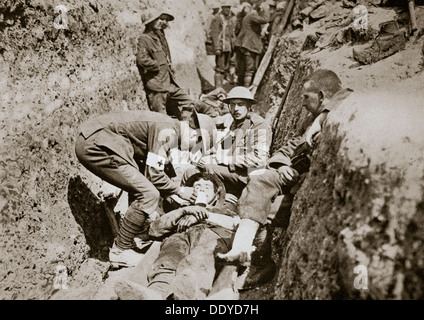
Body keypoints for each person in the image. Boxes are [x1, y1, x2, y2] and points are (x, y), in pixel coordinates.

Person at [217, 69, 353, 289]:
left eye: (305, 97)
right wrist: (282, 165)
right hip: (290, 179)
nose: (301, 103)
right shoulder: (310, 118)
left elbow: (347, 95)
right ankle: (245, 252)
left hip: (310, 191)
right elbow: (288, 146)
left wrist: (323, 115)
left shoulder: (339, 108)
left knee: (261, 207)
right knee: (259, 182)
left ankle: (259, 262)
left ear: (321, 95)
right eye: (232, 105)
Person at [74, 109, 216, 267]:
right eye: (194, 148)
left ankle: (135, 231)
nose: (188, 151)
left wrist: (171, 190)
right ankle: (119, 251)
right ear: (195, 136)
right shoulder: (168, 132)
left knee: (143, 184)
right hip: (95, 144)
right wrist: (180, 191)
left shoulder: (170, 127)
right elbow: (154, 175)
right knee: (148, 193)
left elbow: (156, 167)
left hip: (98, 140)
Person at [126, 172, 260, 300]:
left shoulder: (226, 209)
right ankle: (156, 293)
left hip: (214, 235)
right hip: (180, 237)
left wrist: (204, 216)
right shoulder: (182, 210)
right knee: (167, 259)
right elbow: (154, 230)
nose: (201, 189)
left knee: (200, 259)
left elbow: (237, 225)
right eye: (197, 186)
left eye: (207, 187)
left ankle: (189, 295)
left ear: (216, 194)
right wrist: (185, 211)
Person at [185, 86, 272, 200]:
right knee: (193, 169)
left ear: (249, 106)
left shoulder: (258, 126)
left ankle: (209, 201)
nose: (236, 109)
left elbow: (259, 160)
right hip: (234, 170)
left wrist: (222, 160)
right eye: (232, 104)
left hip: (247, 176)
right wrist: (203, 154)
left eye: (240, 104)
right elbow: (224, 145)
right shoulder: (237, 123)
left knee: (203, 169)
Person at [136, 8, 192, 119]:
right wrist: (157, 66)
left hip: (169, 85)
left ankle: (183, 127)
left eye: (166, 20)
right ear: (150, 21)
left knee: (189, 102)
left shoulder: (160, 38)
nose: (164, 22)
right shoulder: (145, 39)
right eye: (160, 19)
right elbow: (141, 59)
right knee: (162, 120)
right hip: (157, 87)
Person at [235, 1, 270, 87]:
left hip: (247, 44)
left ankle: (242, 87)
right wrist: (266, 9)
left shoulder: (250, 15)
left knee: (246, 68)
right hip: (249, 45)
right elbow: (265, 19)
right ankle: (246, 90)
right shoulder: (252, 15)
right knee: (250, 69)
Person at [209, 4, 235, 88]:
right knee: (219, 68)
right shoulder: (217, 18)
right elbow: (214, 33)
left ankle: (221, 89)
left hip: (227, 48)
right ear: (222, 8)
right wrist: (217, 47)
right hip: (221, 47)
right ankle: (217, 89)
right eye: (226, 7)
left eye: (229, 7)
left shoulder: (228, 19)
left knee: (225, 68)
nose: (228, 9)